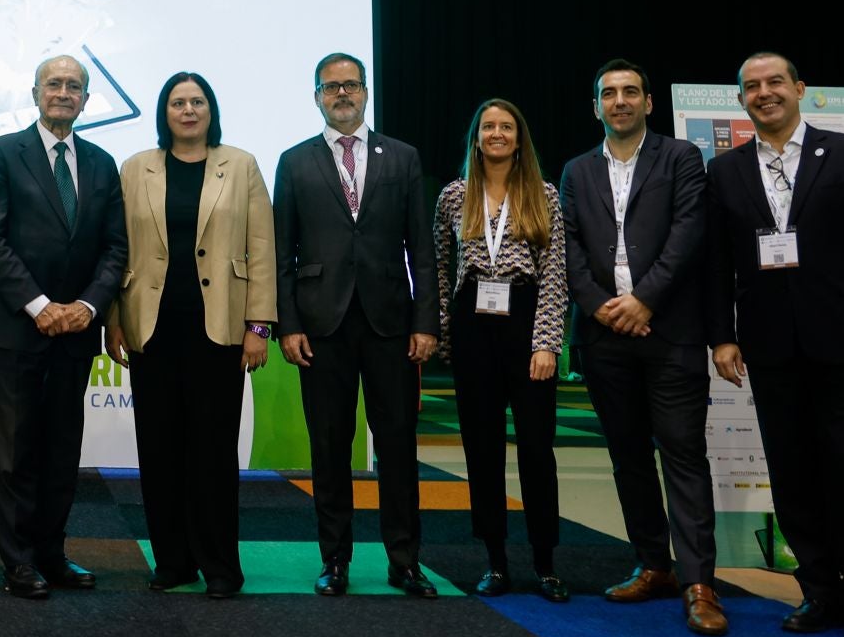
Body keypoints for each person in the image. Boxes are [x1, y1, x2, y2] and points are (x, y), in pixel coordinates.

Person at [707, 52, 844, 637]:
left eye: (775, 83)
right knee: (791, 474)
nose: (764, 93)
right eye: (751, 87)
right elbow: (717, 265)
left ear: (800, 89)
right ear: (741, 100)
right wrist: (722, 335)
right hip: (769, 348)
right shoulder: (726, 171)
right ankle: (819, 589)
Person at [558, 59, 725, 635]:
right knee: (628, 457)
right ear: (596, 106)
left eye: (631, 92)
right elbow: (569, 246)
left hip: (671, 331)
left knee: (682, 454)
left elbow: (688, 235)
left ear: (649, 103)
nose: (620, 101)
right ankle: (654, 565)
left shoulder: (682, 159)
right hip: (604, 336)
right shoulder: (576, 171)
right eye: (609, 93)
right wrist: (601, 304)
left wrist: (645, 300)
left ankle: (700, 582)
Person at [273, 53, 439, 599]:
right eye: (331, 87)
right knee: (329, 445)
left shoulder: (404, 157)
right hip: (321, 324)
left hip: (391, 322)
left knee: (397, 445)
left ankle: (404, 561)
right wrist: (287, 324)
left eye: (351, 85)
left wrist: (425, 321)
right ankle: (335, 560)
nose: (341, 94)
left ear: (366, 92)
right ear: (316, 95)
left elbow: (424, 247)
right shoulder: (294, 161)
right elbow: (281, 253)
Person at [106, 71, 275, 599]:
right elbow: (115, 248)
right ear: (164, 112)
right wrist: (113, 319)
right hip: (150, 329)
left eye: (197, 101)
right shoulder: (136, 168)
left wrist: (259, 325)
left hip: (219, 330)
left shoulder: (240, 165)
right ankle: (173, 561)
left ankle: (221, 564)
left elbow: (262, 247)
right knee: (158, 450)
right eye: (178, 102)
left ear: (211, 110)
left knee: (213, 452)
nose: (188, 110)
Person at [0, 54, 128, 599]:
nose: (64, 93)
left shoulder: (103, 163)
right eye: (54, 84)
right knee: (15, 449)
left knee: (63, 445)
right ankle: (17, 562)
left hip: (78, 328)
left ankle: (51, 553)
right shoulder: (1, 153)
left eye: (74, 86)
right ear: (35, 93)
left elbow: (115, 247)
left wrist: (87, 306)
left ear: (86, 100)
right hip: (18, 325)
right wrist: (40, 305)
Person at [435, 98, 570, 602]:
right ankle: (494, 561)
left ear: (519, 137)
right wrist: (447, 337)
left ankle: (546, 563)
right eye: (488, 126)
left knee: (537, 448)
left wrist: (547, 343)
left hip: (526, 320)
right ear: (476, 137)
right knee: (482, 448)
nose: (497, 133)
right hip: (473, 326)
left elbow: (556, 275)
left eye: (506, 126)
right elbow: (440, 268)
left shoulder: (544, 194)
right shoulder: (453, 196)